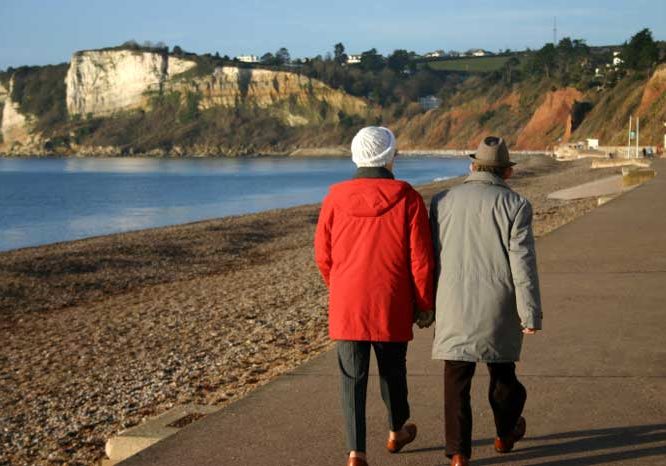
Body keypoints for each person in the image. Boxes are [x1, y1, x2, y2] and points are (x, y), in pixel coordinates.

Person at [314, 126, 435, 466]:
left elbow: (323, 255)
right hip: (391, 298)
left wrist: (337, 285)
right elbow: (420, 259)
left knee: (352, 378)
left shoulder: (335, 197)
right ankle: (397, 430)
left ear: (356, 156)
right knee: (393, 370)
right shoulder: (407, 197)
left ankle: (356, 452)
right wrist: (424, 303)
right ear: (390, 156)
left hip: (348, 299)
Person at [428, 136, 543, 466]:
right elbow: (523, 264)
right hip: (499, 303)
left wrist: (426, 303)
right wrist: (530, 312)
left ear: (472, 166)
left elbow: (431, 257)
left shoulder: (442, 200)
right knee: (503, 374)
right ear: (507, 173)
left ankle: (459, 454)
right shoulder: (516, 205)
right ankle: (505, 435)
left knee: (456, 379)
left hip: (453, 301)